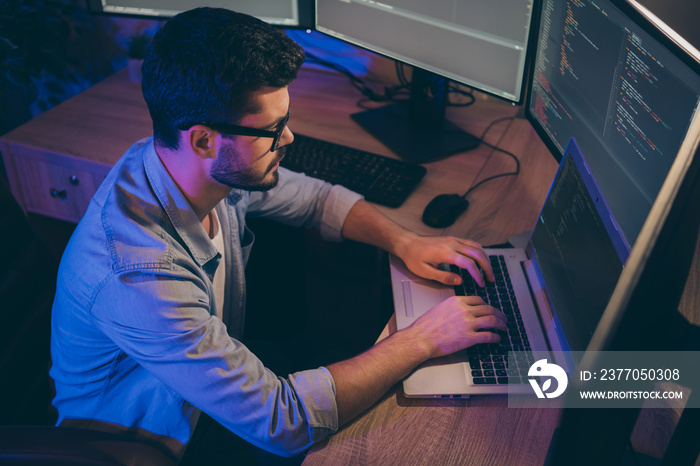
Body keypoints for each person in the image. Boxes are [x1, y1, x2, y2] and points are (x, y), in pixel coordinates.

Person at [49, 7, 506, 464]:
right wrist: (418, 339)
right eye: (271, 130)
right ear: (204, 141)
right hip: (162, 440)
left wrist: (405, 242)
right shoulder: (140, 275)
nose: (288, 138)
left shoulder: (185, 165)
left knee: (389, 385)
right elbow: (283, 423)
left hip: (215, 379)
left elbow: (315, 199)